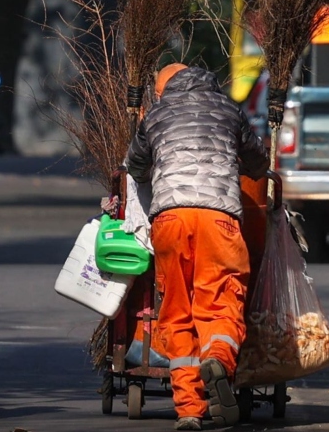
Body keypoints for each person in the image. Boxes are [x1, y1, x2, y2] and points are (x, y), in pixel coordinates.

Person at [126, 63, 270, 431]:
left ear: (165, 90)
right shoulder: (228, 109)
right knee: (220, 299)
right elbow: (257, 162)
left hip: (170, 220)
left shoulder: (157, 113)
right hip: (219, 219)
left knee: (175, 309)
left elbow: (136, 167)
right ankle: (218, 361)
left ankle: (189, 408)